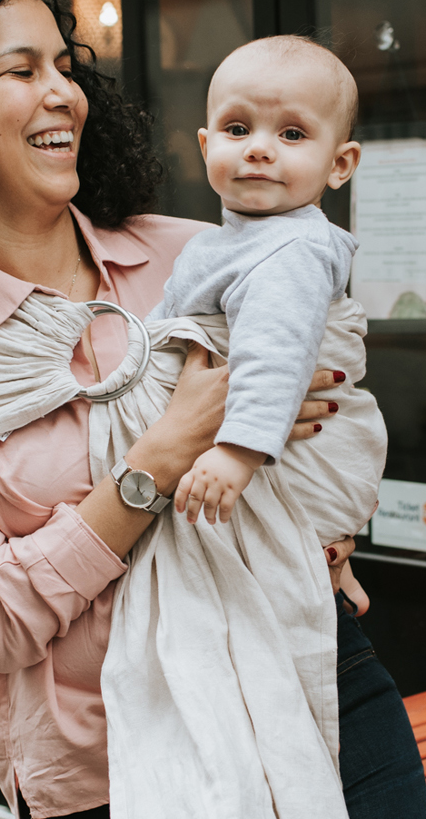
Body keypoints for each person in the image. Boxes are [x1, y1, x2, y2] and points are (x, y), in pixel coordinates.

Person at [0, 0, 426, 819]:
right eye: (21, 71)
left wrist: (319, 537)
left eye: (65, 68)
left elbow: (323, 411)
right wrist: (158, 456)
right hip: (107, 763)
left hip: (309, 682)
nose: (63, 94)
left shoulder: (197, 258)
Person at [152, 36, 367, 531]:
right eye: (237, 128)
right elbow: (162, 326)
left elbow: (275, 353)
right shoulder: (222, 243)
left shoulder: (294, 249)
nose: (258, 149)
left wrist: (237, 452)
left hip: (274, 458)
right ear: (207, 146)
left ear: (339, 164)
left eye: (291, 134)